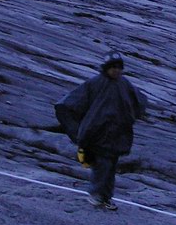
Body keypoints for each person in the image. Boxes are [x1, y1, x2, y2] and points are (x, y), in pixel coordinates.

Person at [54, 50, 148, 210]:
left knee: (111, 166)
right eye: (113, 67)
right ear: (106, 68)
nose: (117, 70)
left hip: (117, 134)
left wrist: (131, 117)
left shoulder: (124, 84)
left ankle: (105, 196)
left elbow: (139, 101)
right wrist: (78, 130)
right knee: (102, 165)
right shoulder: (95, 83)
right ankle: (96, 194)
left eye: (119, 67)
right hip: (97, 133)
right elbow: (70, 103)